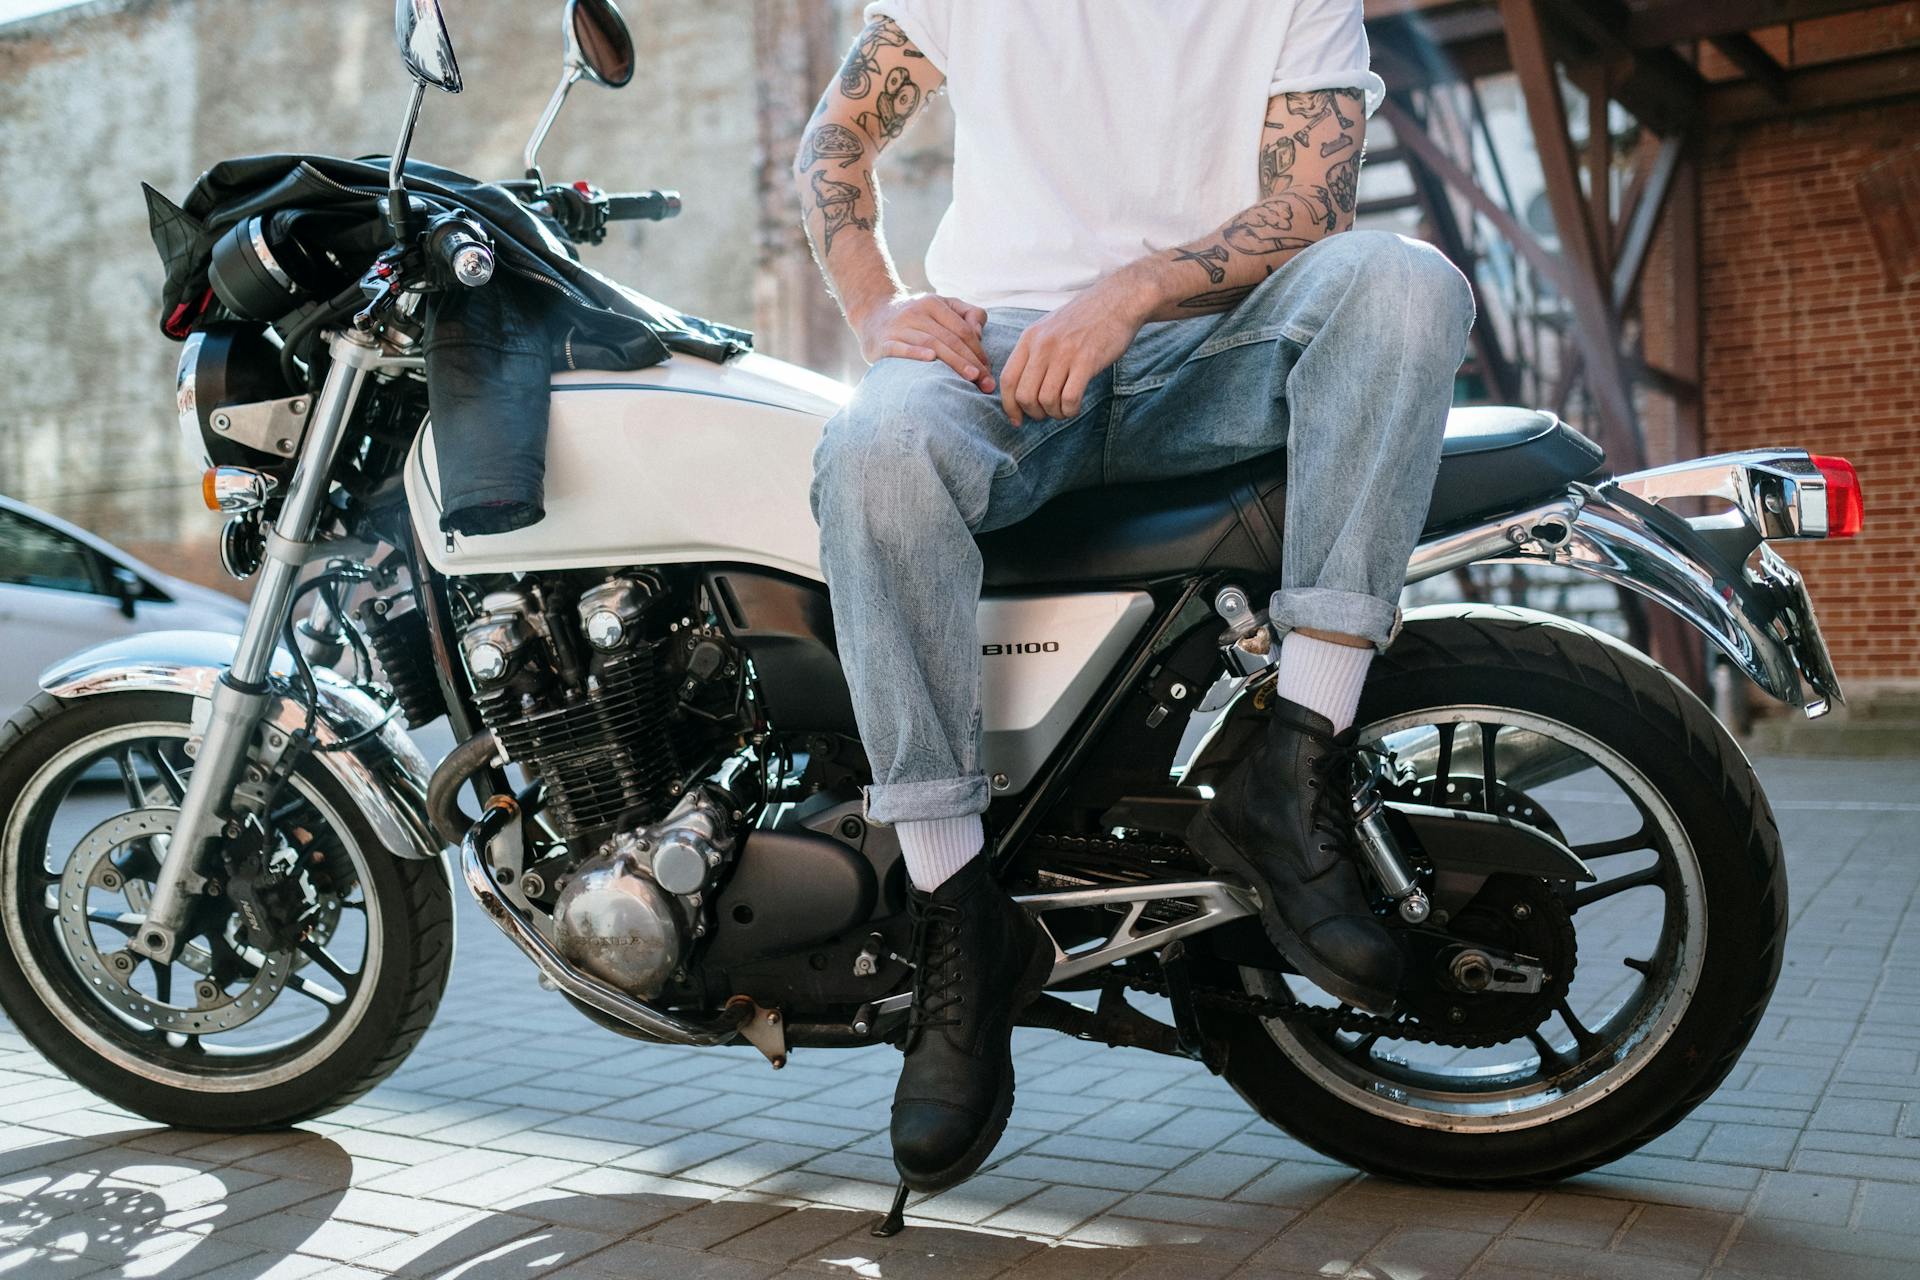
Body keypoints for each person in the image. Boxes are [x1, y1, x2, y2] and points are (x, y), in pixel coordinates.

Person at [794, 0, 1474, 1194]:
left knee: (1407, 283)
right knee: (871, 451)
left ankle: (1294, 760)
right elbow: (833, 144)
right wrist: (876, 306)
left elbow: (1317, 204)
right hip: (993, 357)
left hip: (1210, 345)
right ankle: (960, 914)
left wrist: (1129, 293)